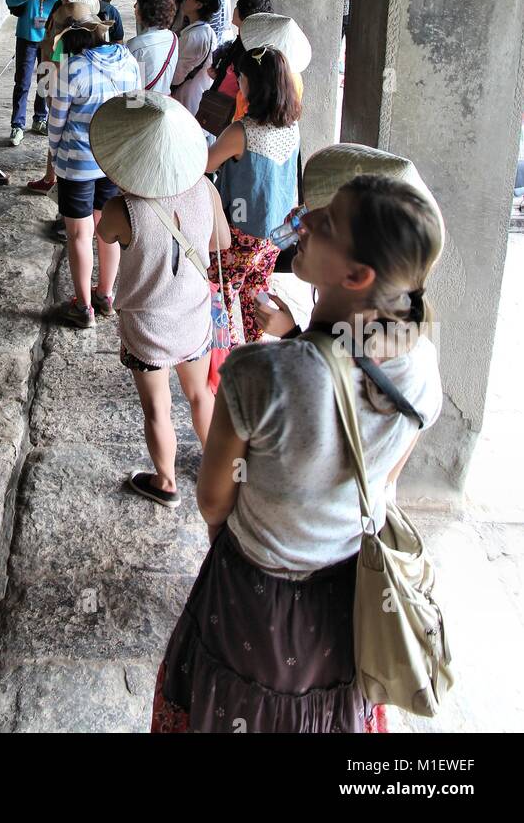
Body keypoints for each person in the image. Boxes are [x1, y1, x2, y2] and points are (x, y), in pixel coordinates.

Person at [151, 144, 445, 734]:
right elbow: (382, 479)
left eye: (327, 222)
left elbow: (213, 499)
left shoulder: (261, 373)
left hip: (253, 596)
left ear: (357, 275)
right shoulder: (422, 366)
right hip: (349, 592)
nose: (305, 219)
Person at [93, 94, 232, 507]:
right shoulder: (205, 189)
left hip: (146, 328)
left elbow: (107, 237)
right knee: (200, 396)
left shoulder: (123, 209)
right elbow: (221, 241)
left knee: (158, 409)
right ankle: (219, 467)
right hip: (193, 318)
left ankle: (166, 481)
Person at [47, 15, 141, 328]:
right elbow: (135, 111)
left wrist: (56, 152)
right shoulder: (129, 62)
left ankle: (83, 307)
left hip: (77, 163)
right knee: (108, 228)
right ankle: (105, 295)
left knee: (79, 233)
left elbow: (56, 121)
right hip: (113, 160)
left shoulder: (72, 69)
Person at [207, 45, 300, 341]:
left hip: (241, 232)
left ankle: (227, 354)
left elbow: (205, 165)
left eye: (242, 77)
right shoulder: (292, 126)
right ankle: (256, 349)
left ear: (253, 84)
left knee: (220, 294)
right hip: (277, 231)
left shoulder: (241, 132)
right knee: (256, 292)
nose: (239, 83)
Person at [27, 0, 103, 195]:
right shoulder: (67, 8)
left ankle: (58, 178)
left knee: (59, 124)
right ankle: (51, 175)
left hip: (63, 74)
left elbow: (61, 51)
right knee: (56, 121)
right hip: (56, 70)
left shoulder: (73, 14)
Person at [4, 0, 64, 145]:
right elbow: (10, 1)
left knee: (45, 82)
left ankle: (40, 118)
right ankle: (17, 126)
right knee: (22, 81)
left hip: (49, 39)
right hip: (27, 36)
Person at [207, 0, 275, 114]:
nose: (234, 9)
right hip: (228, 106)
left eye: (237, 6)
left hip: (234, 111)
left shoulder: (248, 47)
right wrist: (220, 74)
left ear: (245, 13)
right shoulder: (244, 40)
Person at [170, 0, 219, 117]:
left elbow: (179, 73)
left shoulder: (193, 36)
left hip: (187, 93)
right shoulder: (207, 31)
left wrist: (169, 88)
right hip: (199, 89)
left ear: (198, 5)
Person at [127, 0, 179, 93]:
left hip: (145, 106)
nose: (134, 6)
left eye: (138, 3)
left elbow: (135, 92)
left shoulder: (136, 45)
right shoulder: (173, 37)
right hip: (165, 102)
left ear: (146, 10)